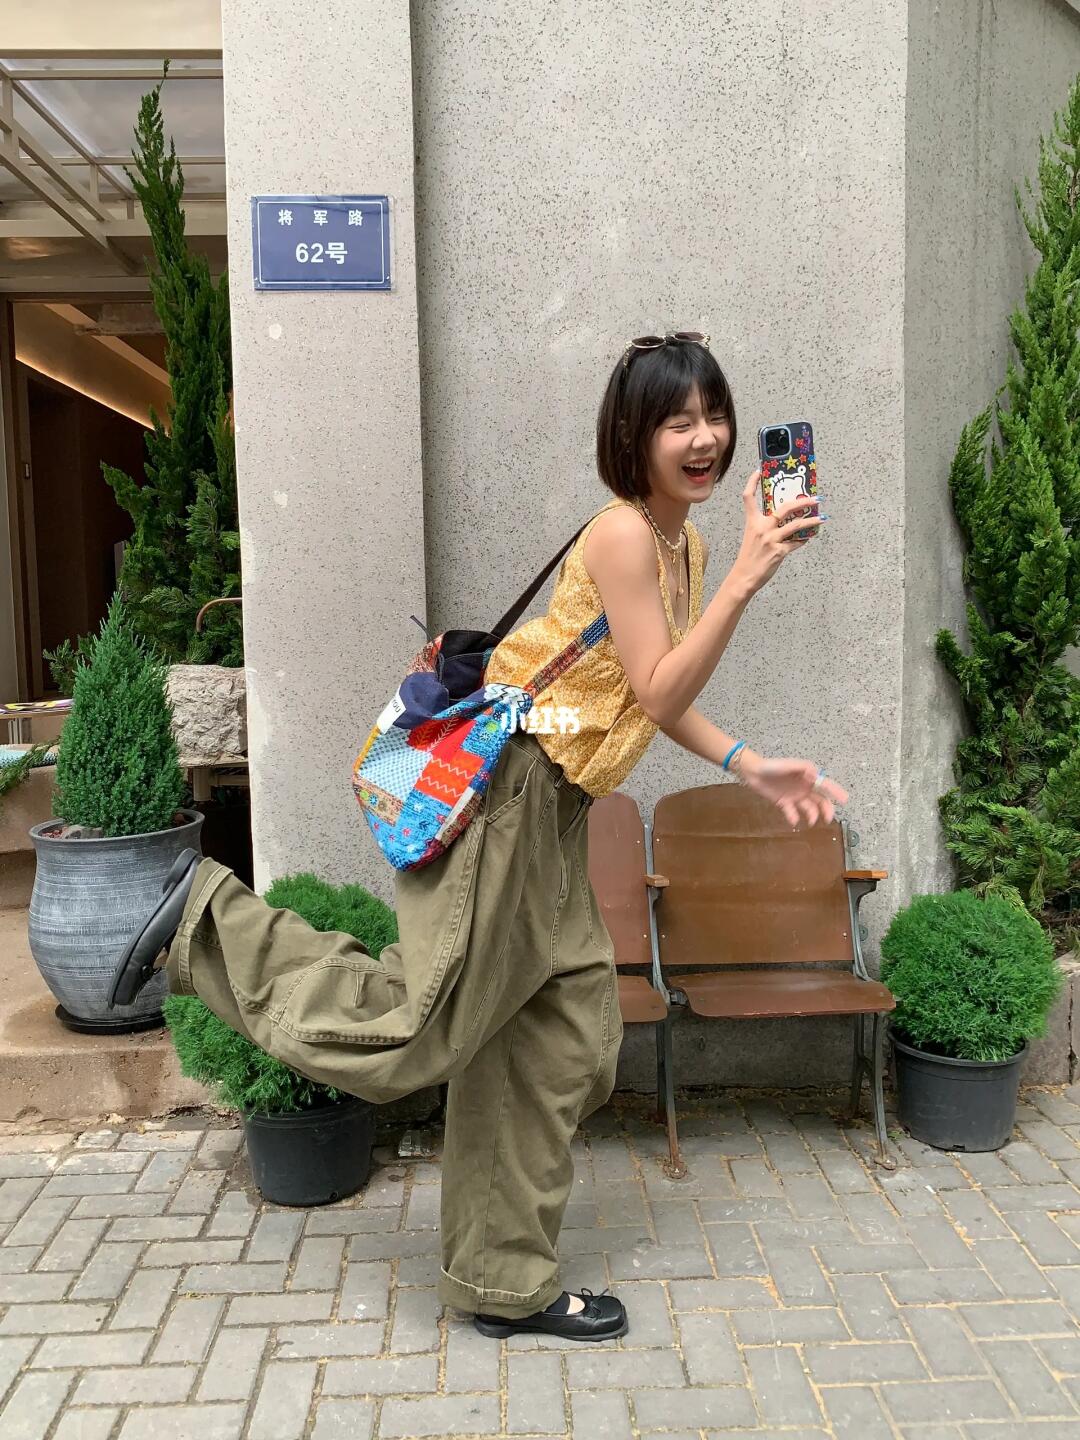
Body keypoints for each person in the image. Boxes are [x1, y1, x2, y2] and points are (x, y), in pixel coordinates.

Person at [110, 330, 846, 1344]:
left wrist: (747, 761)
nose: (706, 437)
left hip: (559, 810)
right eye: (678, 420)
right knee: (424, 1025)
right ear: (633, 435)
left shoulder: (687, 546)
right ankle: (205, 923)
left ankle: (499, 1280)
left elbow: (653, 699)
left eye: (714, 414)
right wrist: (750, 577)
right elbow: (656, 684)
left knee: (564, 1037)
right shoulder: (625, 535)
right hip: (508, 793)